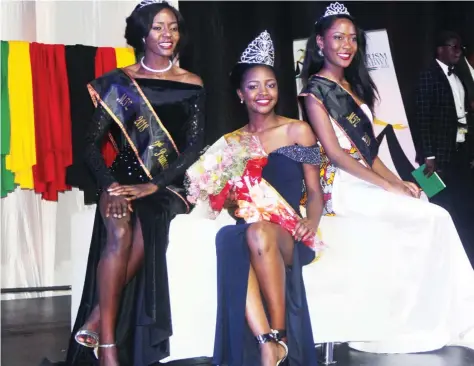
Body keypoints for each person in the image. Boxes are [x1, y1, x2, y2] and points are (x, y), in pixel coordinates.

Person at [299, 2, 474, 354]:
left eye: (352, 38)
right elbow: (335, 154)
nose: (347, 45)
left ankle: (445, 313)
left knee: (425, 205)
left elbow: (371, 153)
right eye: (338, 37)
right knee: (433, 215)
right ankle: (419, 318)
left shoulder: (353, 86)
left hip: (365, 176)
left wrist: (399, 182)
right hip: (341, 185)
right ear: (320, 42)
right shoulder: (314, 93)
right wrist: (388, 186)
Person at [66, 1, 205, 365]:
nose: (167, 35)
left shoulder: (192, 84)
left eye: (173, 27)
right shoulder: (119, 82)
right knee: (120, 232)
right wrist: (110, 186)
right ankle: (108, 346)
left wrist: (155, 184)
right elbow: (90, 146)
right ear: (141, 34)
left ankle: (96, 321)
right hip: (122, 180)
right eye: (158, 27)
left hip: (169, 184)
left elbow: (192, 148)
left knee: (150, 221)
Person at [212, 31, 322, 366]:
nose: (263, 92)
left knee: (256, 232)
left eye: (271, 84)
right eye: (253, 86)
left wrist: (311, 221)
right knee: (232, 235)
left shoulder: (297, 131)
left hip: (289, 235)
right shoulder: (231, 143)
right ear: (240, 94)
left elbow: (315, 192)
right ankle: (266, 344)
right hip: (249, 229)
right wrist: (230, 200)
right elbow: (228, 198)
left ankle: (280, 336)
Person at [414, 30, 474, 262]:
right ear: (440, 49)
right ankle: (446, 256)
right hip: (435, 157)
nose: (459, 52)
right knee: (442, 206)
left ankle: (466, 254)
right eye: (454, 47)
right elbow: (422, 117)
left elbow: (461, 114)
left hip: (458, 152)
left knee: (463, 205)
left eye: (460, 47)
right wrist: (428, 155)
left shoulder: (458, 76)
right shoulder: (428, 75)